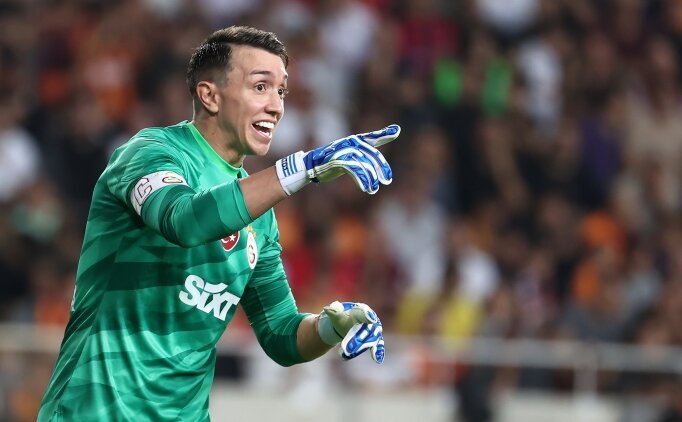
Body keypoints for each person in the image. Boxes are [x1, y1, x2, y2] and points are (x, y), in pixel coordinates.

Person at [38, 25, 399, 421]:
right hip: (92, 411)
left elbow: (281, 334)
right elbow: (183, 221)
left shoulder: (259, 215)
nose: (276, 107)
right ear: (210, 95)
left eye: (281, 91)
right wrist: (303, 167)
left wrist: (333, 325)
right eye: (260, 87)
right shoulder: (149, 154)